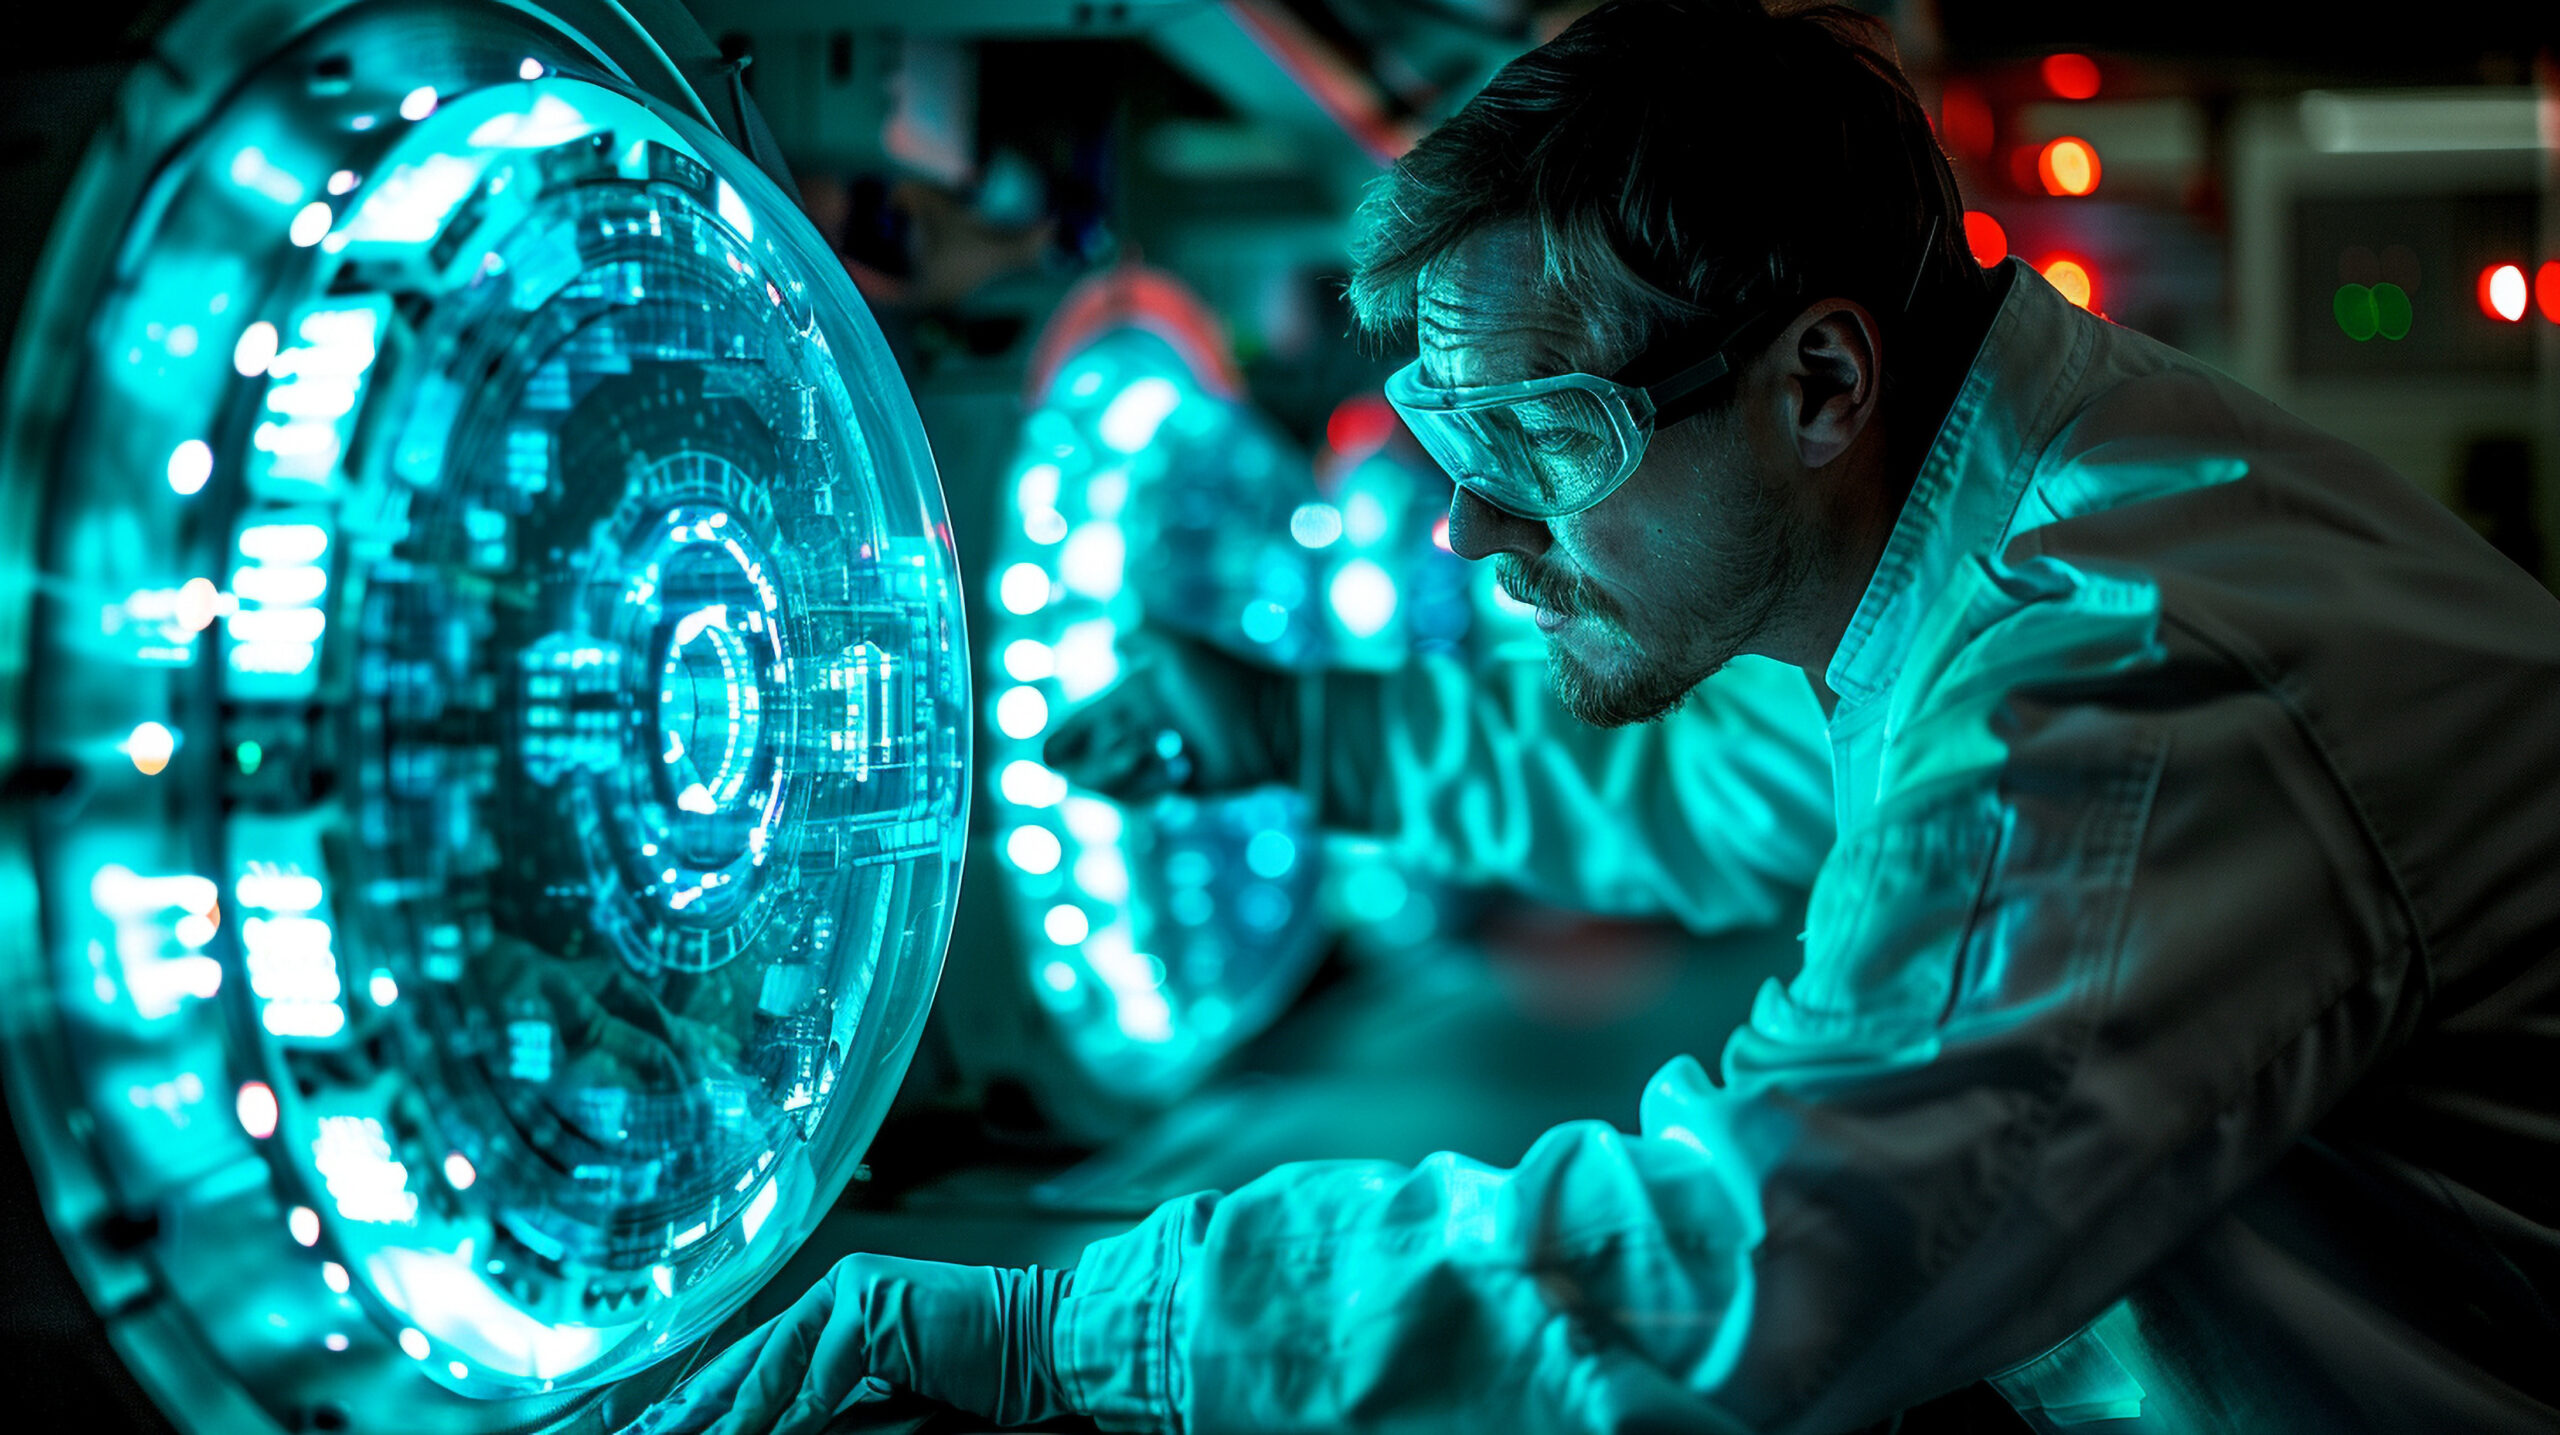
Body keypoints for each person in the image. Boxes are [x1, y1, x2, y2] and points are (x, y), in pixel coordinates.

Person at [627, 3, 2560, 1431]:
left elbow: (1747, 1263)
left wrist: (1057, 1327)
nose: (1469, 530)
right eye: (1450, 444)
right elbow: (1709, 785)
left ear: (1819, 384)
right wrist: (1307, 730)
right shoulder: (1990, 525)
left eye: (1544, 439)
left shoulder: (2117, 669)